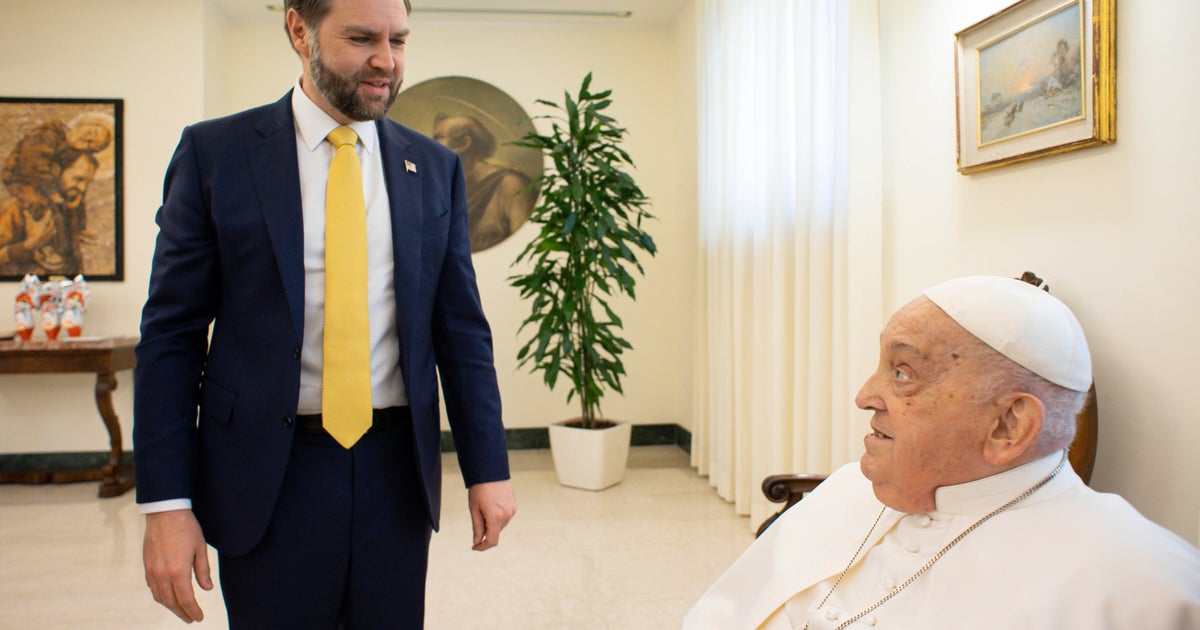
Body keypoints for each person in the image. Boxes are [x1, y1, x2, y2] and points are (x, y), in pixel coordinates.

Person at [133, 0, 516, 627]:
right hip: (264, 475)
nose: (386, 61)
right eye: (362, 38)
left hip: (396, 473)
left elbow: (461, 332)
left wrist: (488, 469)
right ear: (298, 29)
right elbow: (171, 337)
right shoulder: (216, 153)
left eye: (398, 40)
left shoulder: (433, 167)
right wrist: (166, 504)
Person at [685, 276, 1200, 629]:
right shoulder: (846, 487)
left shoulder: (1139, 587)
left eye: (902, 372)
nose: (864, 395)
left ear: (1008, 425)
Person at [431, 113, 534, 252]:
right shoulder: (445, 190)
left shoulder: (512, 186)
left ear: (464, 144)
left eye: (438, 138)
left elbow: (526, 248)